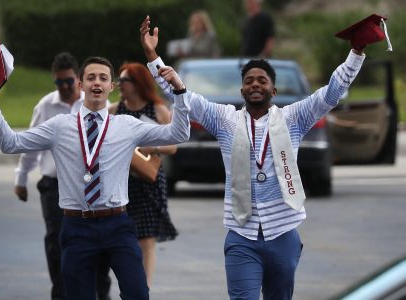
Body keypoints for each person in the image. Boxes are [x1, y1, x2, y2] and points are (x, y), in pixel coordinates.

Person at [140, 15, 366, 299]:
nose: (255, 84)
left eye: (262, 80)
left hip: (283, 232)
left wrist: (355, 52)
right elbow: (182, 95)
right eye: (249, 81)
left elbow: (330, 95)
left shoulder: (292, 118)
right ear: (242, 90)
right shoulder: (225, 120)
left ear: (273, 90)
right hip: (241, 236)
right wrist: (153, 58)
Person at [0, 54, 190, 300]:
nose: (97, 83)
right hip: (77, 227)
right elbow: (10, 143)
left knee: (138, 293)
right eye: (90, 78)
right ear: (81, 84)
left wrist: (180, 91)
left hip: (117, 225)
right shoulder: (60, 126)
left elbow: (179, 133)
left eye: (103, 78)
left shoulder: (126, 125)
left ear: (111, 86)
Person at [14, 52, 111, 300]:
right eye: (60, 82)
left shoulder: (97, 102)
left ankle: (102, 294)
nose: (65, 87)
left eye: (69, 81)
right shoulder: (46, 106)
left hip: (90, 184)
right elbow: (31, 145)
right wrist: (21, 179)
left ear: (78, 79)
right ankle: (61, 294)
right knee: (58, 241)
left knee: (99, 242)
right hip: (54, 184)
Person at [109, 62, 178, 287]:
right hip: (122, 182)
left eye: (124, 80)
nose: (120, 84)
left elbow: (173, 145)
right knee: (125, 237)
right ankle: (130, 282)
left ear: (137, 84)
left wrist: (152, 146)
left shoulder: (157, 110)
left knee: (147, 239)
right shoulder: (114, 110)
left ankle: (144, 288)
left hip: (149, 181)